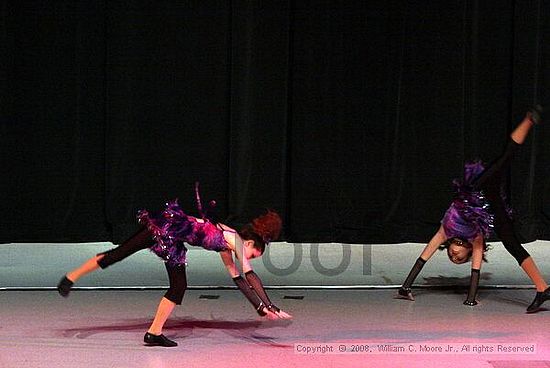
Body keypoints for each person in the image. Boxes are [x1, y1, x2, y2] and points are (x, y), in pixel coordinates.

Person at [57, 186, 292, 347]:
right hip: (168, 232)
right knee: (170, 282)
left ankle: (72, 278)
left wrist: (260, 308)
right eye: (253, 254)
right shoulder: (237, 242)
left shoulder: (228, 244)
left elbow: (238, 278)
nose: (248, 257)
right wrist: (269, 305)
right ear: (250, 243)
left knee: (128, 260)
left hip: (167, 232)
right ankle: (152, 332)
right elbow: (250, 275)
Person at [396, 106, 549, 313]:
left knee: (505, 157)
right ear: (468, 251)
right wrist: (470, 299)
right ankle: (543, 288)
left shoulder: (444, 232)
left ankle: (529, 119)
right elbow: (476, 269)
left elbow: (424, 257)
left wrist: (405, 288)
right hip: (493, 203)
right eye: (459, 259)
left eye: (451, 256)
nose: (454, 256)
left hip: (477, 189)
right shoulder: (476, 237)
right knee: (513, 245)